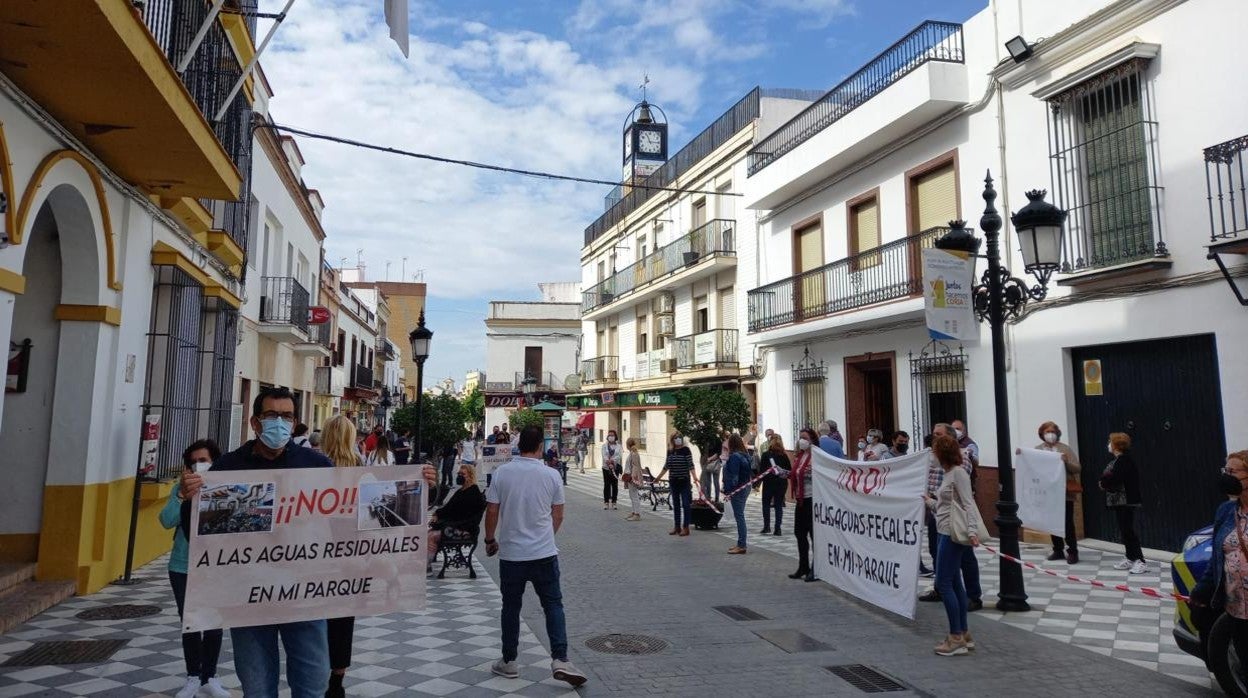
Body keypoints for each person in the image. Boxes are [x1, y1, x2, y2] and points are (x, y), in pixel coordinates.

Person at [179, 387, 334, 698]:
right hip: (248, 594)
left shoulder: (317, 466)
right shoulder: (228, 468)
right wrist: (189, 500)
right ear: (255, 422)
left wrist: (420, 485)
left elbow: (346, 521)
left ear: (295, 422)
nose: (279, 422)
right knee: (257, 686)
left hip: (304, 593)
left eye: (287, 416)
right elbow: (195, 532)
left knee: (314, 684)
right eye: (271, 415)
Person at [484, 425, 587, 687]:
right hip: (543, 553)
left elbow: (492, 511)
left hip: (512, 555)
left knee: (511, 607)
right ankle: (561, 659)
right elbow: (559, 514)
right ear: (540, 446)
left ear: (519, 445)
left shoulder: (502, 473)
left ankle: (509, 661)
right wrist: (547, 538)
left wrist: (489, 539)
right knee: (553, 605)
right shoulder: (551, 475)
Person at [160, 439, 229, 698]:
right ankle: (193, 675)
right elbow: (166, 520)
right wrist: (181, 496)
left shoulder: (223, 488)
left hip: (215, 565)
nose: (200, 465)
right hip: (182, 565)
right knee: (190, 621)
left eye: (204, 460)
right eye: (194, 462)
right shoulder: (180, 490)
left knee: (213, 621)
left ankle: (210, 676)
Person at [924, 434, 983, 657]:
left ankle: (955, 636)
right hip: (943, 530)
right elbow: (944, 505)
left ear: (942, 453)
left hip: (952, 534)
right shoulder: (948, 474)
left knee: (943, 583)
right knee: (955, 583)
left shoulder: (958, 473)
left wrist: (972, 531)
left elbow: (968, 504)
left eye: (935, 452)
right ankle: (963, 633)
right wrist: (928, 501)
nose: (932, 456)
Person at [319, 416, 364, 697]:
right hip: (349, 552)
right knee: (343, 617)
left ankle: (314, 668)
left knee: (316, 614)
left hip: (318, 550)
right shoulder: (359, 467)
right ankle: (337, 680)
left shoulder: (314, 466)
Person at [1188, 451, 1248, 663]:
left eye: (1233, 472)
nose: (1227, 476)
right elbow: (1217, 560)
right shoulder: (1225, 511)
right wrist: (1199, 593)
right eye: (1226, 471)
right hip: (1237, 609)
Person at [919, 423, 981, 606]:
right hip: (936, 512)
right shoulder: (930, 456)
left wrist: (972, 530)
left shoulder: (962, 458)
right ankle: (941, 588)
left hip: (956, 516)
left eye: (938, 434)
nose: (934, 437)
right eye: (934, 434)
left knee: (965, 557)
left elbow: (963, 493)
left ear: (950, 438)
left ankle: (972, 595)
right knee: (936, 551)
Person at [1035, 422, 1081, 563]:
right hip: (1048, 493)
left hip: (1064, 493)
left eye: (1052, 431)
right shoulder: (1038, 450)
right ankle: (1058, 549)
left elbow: (1077, 468)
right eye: (1047, 431)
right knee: (1052, 522)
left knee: (1067, 523)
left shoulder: (1065, 449)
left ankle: (1072, 551)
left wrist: (1066, 462)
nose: (1050, 434)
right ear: (1042, 434)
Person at [1099, 431, 1145, 574]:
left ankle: (1140, 560)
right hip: (1120, 502)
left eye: (1110, 442)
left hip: (1126, 501)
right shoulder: (1120, 460)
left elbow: (1116, 478)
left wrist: (1103, 483)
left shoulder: (1124, 461)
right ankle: (1130, 557)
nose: (1108, 445)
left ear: (1116, 445)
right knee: (1124, 531)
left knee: (1128, 531)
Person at [428, 463, 488, 565]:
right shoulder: (461, 491)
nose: (459, 476)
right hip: (455, 525)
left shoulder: (473, 492)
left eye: (462, 474)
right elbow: (448, 508)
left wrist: (452, 524)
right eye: (458, 473)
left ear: (470, 476)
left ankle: (427, 565)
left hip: (465, 530)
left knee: (432, 536)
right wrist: (436, 514)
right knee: (428, 533)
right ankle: (427, 559)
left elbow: (472, 518)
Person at [789, 428, 819, 582]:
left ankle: (816, 568)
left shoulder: (818, 456)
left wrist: (805, 473)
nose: (801, 440)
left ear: (812, 440)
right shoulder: (800, 456)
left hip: (812, 499)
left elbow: (818, 475)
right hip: (801, 499)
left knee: (814, 535)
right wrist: (784, 473)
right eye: (800, 437)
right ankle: (803, 566)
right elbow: (795, 473)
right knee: (799, 533)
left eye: (805, 438)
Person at [654, 433, 697, 536]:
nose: (678, 440)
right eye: (676, 438)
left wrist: (695, 477)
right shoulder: (670, 451)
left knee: (686, 504)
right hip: (673, 481)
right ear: (672, 440)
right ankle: (677, 526)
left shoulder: (686, 450)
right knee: (676, 504)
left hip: (684, 481)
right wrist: (658, 477)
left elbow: (690, 464)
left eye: (680, 438)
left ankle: (686, 527)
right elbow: (666, 466)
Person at [722, 434, 753, 555]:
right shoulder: (745, 455)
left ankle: (741, 545)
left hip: (738, 489)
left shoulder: (734, 457)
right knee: (739, 515)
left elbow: (734, 476)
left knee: (739, 516)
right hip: (745, 486)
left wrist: (729, 490)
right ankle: (740, 543)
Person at [759, 435, 790, 536]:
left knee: (766, 504)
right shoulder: (784, 455)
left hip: (768, 483)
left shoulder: (766, 454)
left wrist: (757, 483)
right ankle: (778, 529)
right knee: (778, 505)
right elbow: (789, 470)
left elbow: (762, 471)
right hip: (781, 483)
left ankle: (766, 526)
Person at [624, 437, 644, 521]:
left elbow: (635, 466)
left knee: (634, 495)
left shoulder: (634, 453)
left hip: (632, 477)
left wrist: (633, 477)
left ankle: (637, 514)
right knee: (632, 495)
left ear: (628, 445)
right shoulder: (632, 452)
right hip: (630, 477)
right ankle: (633, 511)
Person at [601, 430, 621, 510]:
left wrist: (613, 461)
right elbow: (603, 455)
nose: (611, 437)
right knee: (606, 485)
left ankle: (614, 502)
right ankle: (606, 502)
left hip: (615, 468)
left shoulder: (618, 446)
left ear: (615, 436)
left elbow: (619, 455)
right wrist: (608, 461)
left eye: (612, 435)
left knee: (615, 485)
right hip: (606, 467)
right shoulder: (604, 446)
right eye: (609, 435)